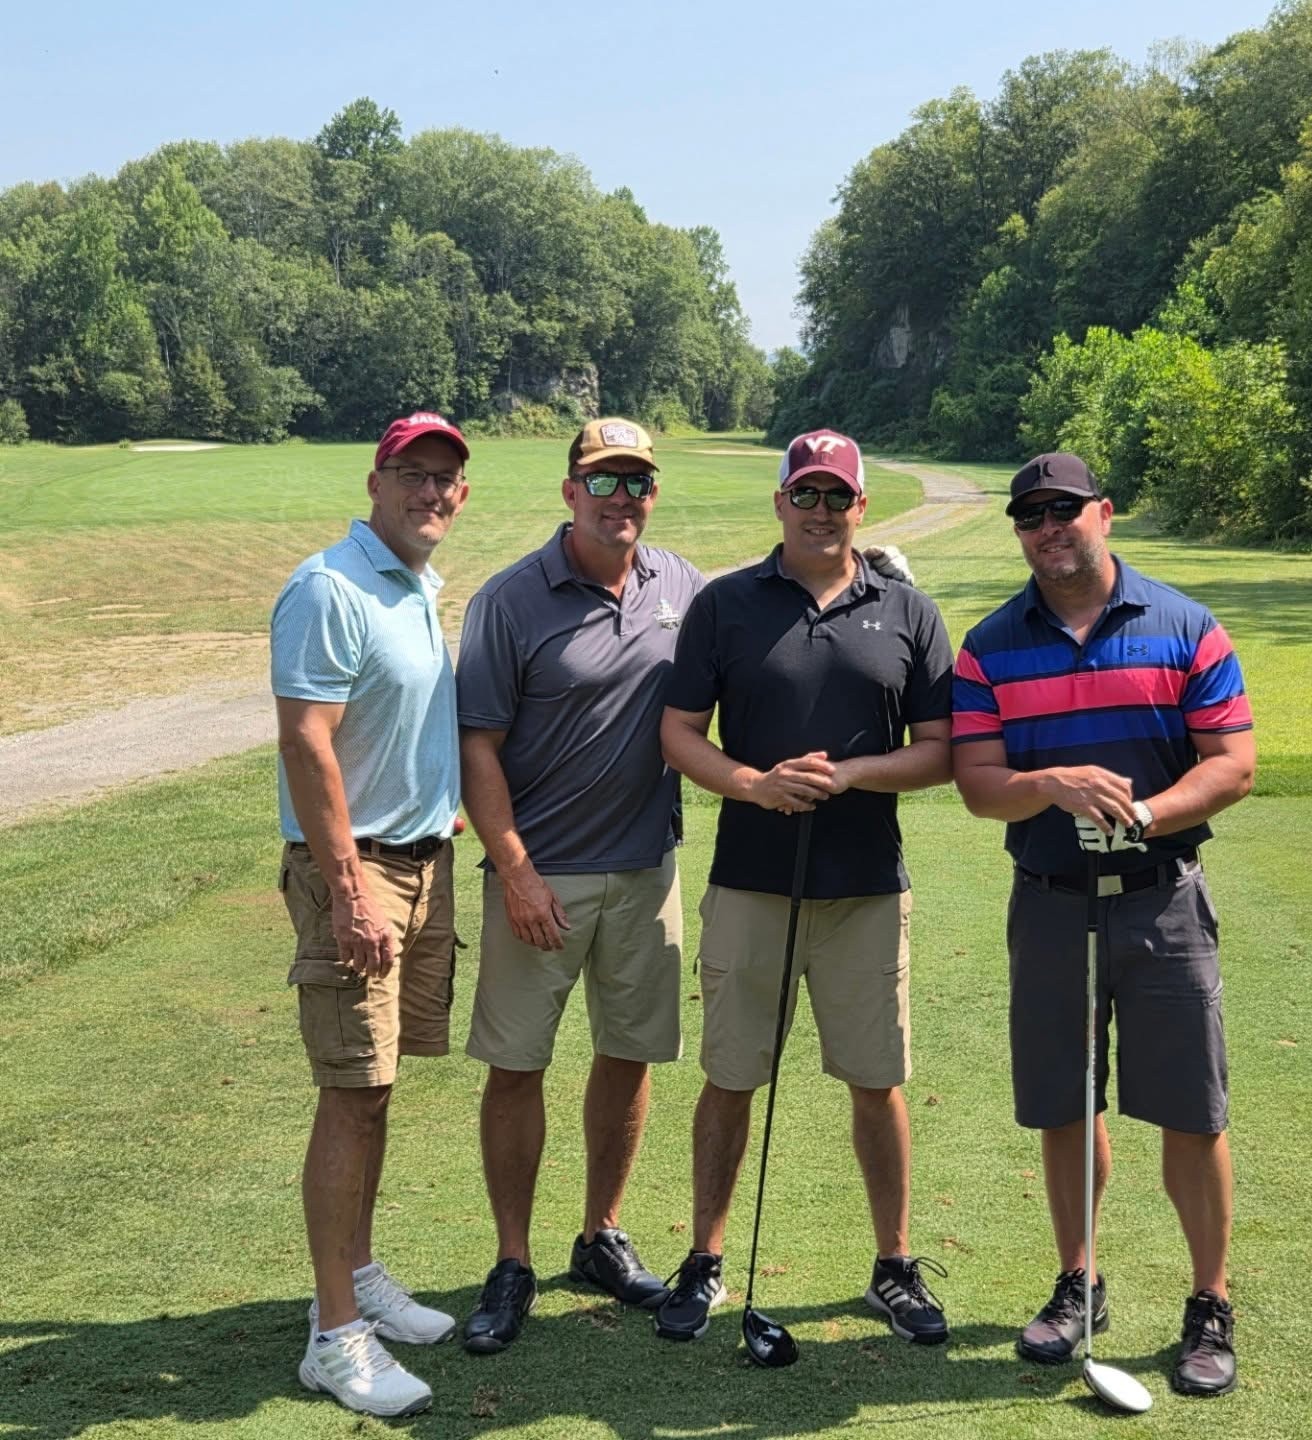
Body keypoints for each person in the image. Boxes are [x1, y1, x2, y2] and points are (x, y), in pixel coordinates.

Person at [950, 452, 1255, 1398]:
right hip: (1050, 903)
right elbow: (978, 786)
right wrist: (1048, 784)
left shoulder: (1186, 627)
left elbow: (1233, 763)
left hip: (1163, 898)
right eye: (1030, 515)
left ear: (1104, 513)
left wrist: (1146, 814)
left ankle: (1210, 1301)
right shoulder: (988, 646)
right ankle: (1079, 1283)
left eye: (1065, 510)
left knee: (1192, 1110)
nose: (1049, 528)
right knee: (1064, 1101)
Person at [655, 428, 955, 1346]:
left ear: (862, 505)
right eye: (806, 494)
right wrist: (754, 784)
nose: (821, 511)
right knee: (731, 1076)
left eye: (838, 496)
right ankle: (705, 1259)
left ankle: (894, 1266)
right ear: (781, 501)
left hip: (866, 886)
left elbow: (940, 750)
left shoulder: (908, 611)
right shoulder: (726, 604)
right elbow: (679, 732)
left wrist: (853, 773)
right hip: (751, 881)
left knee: (877, 1080)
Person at [453, 418, 706, 1354]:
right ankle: (512, 1259)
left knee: (629, 1054)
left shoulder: (680, 585)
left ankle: (601, 1233)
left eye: (636, 481)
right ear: (569, 492)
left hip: (645, 869)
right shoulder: (509, 600)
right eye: (603, 481)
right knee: (518, 1063)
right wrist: (515, 871)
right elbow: (477, 744)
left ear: (653, 493)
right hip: (541, 876)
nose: (620, 499)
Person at [271, 412, 474, 1418]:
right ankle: (334, 1334)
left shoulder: (414, 585)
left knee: (380, 1086)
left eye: (445, 479)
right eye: (413, 474)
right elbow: (307, 743)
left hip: (423, 861)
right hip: (356, 874)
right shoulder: (329, 587)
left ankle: (355, 1272)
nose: (430, 492)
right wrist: (349, 890)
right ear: (376, 482)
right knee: (351, 1093)